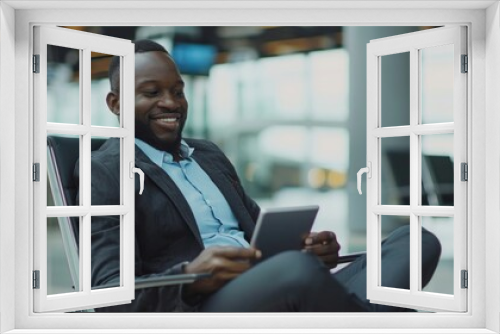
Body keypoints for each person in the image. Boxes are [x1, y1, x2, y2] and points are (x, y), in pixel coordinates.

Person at [75, 40, 441, 312]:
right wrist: (190, 277)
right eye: (151, 93)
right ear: (116, 104)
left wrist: (307, 248)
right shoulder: (104, 171)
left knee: (415, 240)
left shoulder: (208, 154)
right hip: (207, 308)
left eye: (177, 91)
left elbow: (258, 236)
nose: (170, 103)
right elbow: (109, 293)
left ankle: (342, 312)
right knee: (298, 273)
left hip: (272, 283)